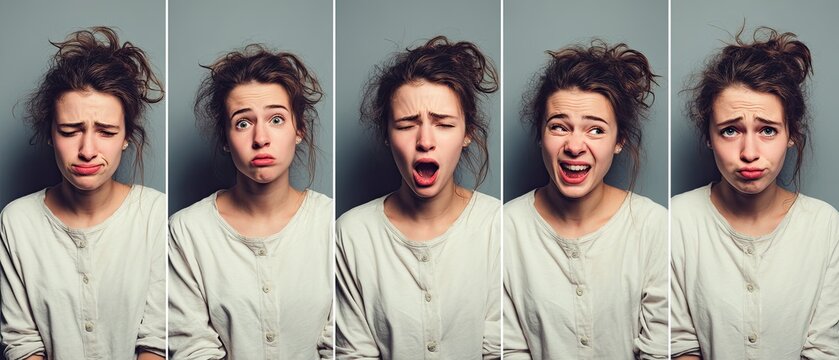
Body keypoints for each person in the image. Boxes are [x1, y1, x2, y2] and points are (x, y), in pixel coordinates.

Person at [670, 27, 839, 359]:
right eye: (730, 130)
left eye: (767, 130)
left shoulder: (826, 226)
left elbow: (824, 348)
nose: (749, 151)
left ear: (791, 133)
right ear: (708, 136)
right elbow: (678, 345)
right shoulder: (677, 221)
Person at [0, 27, 165, 359]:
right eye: (70, 131)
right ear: (50, 134)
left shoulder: (155, 214)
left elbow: (157, 340)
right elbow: (21, 343)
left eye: (105, 131)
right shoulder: (17, 222)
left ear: (126, 137)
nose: (87, 150)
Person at [335, 36, 501, 358]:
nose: (425, 141)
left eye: (443, 124)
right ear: (387, 134)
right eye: (407, 125)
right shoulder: (353, 234)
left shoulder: (498, 226)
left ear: (467, 133)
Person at [503, 41, 668, 359]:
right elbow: (507, 349)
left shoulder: (654, 227)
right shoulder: (506, 230)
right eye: (559, 127)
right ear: (541, 135)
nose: (575, 145)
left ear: (619, 141)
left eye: (595, 130)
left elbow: (661, 348)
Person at [167, 45, 333, 359]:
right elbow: (192, 348)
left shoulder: (330, 224)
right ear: (226, 139)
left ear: (299, 130)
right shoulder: (188, 232)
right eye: (243, 123)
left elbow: (339, 344)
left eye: (276, 120)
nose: (260, 138)